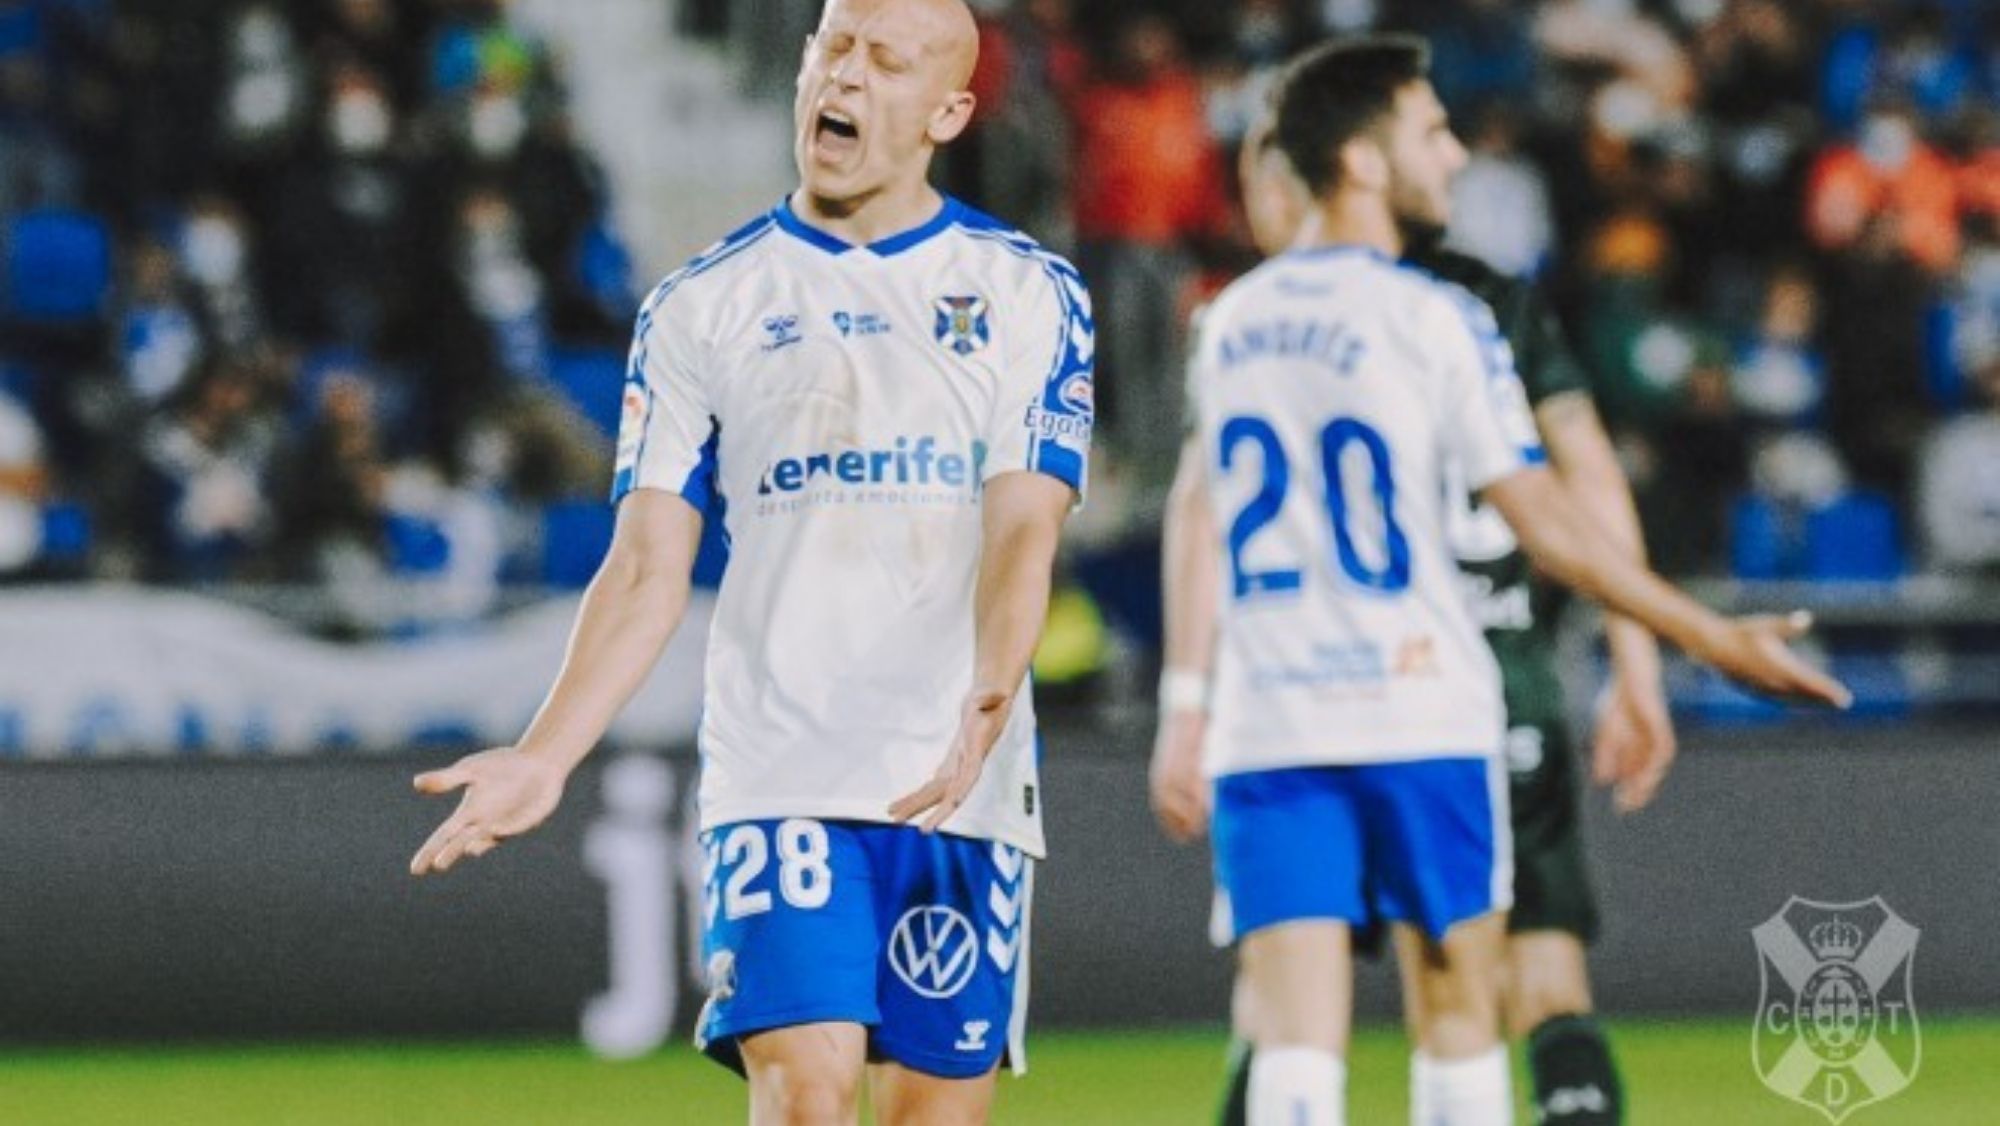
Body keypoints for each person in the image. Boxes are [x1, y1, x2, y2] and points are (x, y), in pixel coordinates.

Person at [405, 2, 1095, 1124]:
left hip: (957, 782)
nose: (845, 76)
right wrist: (545, 752)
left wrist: (990, 687)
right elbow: (643, 565)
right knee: (806, 1098)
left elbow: (1024, 524)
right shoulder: (699, 305)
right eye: (830, 47)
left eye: (886, 60)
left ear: (949, 110)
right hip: (781, 770)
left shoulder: (1028, 291)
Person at [1146, 36, 1846, 1126]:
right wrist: (1703, 637)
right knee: (1460, 1019)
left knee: (1287, 1042)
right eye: (1430, 131)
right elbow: (1549, 522)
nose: (1455, 153)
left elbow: (1196, 514)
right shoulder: (1442, 317)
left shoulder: (1229, 322)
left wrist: (1182, 706)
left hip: (1272, 724)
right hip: (1422, 705)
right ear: (1365, 162)